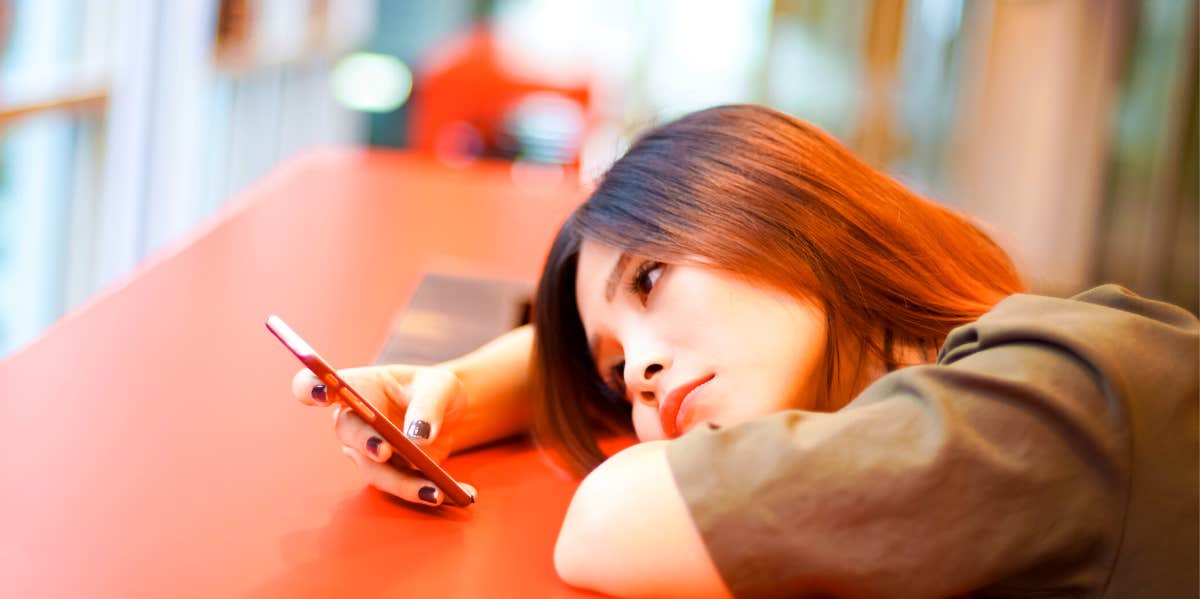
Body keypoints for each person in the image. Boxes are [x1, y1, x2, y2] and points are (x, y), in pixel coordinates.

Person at [290, 105, 1198, 598]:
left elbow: (614, 521)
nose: (641, 374)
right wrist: (452, 390)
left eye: (649, 280)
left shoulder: (1052, 395)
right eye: (615, 373)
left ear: (777, 204)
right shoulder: (984, 377)